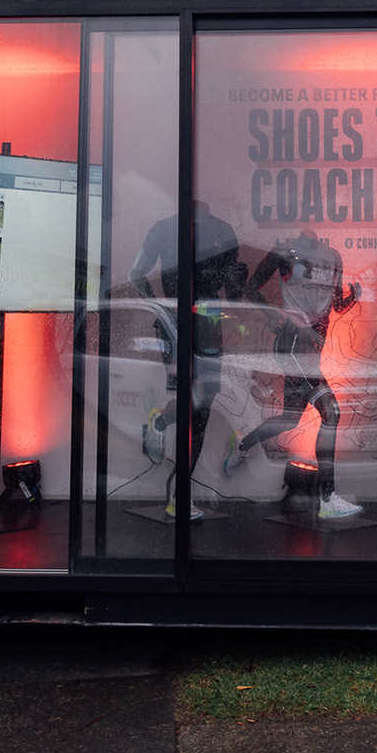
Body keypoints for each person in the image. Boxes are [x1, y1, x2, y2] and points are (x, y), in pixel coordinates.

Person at [225, 229, 363, 520]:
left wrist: (354, 297)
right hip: (292, 344)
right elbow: (252, 288)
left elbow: (337, 305)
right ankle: (328, 497)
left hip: (313, 349)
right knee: (331, 412)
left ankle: (244, 443)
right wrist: (274, 315)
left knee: (291, 419)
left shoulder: (333, 258)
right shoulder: (284, 252)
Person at [129, 202, 247, 520]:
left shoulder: (223, 230)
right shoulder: (164, 228)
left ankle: (162, 426)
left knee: (203, 407)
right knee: (191, 401)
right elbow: (135, 274)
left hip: (209, 323)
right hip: (175, 324)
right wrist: (160, 308)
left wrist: (237, 283)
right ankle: (178, 496)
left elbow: (233, 292)